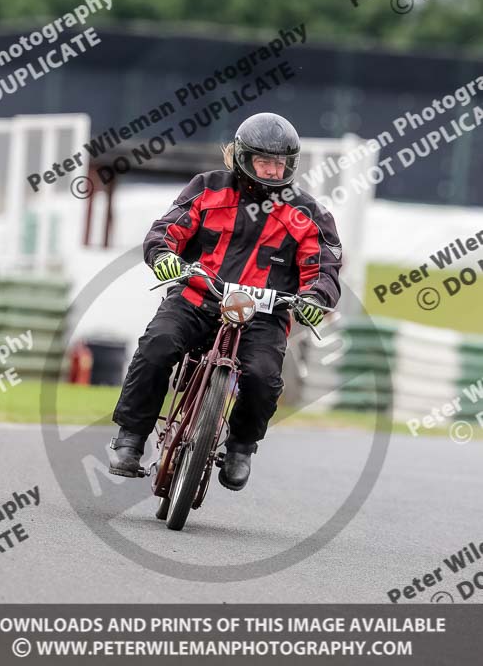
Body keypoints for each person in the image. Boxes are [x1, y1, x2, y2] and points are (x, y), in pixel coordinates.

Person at [109, 112, 342, 490]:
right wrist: (165, 256)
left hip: (265, 316)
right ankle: (130, 438)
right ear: (243, 158)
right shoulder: (207, 187)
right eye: (264, 161)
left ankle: (240, 447)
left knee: (265, 377)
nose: (271, 170)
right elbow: (168, 228)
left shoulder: (310, 214)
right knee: (157, 345)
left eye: (279, 163)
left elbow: (325, 267)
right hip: (197, 296)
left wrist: (316, 296)